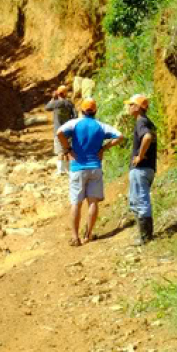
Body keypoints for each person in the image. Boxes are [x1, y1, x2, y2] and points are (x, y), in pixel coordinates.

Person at [57, 98, 123, 246]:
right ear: (95, 111)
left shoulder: (75, 123)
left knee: (76, 203)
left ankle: (75, 237)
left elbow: (59, 132)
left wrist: (68, 149)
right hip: (95, 167)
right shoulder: (100, 126)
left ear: (81, 110)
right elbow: (120, 136)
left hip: (77, 167)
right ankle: (88, 234)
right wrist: (103, 148)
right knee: (93, 202)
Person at [126, 94, 157, 244]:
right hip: (148, 168)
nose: (129, 107)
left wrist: (139, 156)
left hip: (141, 169)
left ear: (138, 107)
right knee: (135, 201)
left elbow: (147, 137)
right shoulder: (149, 122)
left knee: (141, 201)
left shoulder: (141, 122)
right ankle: (144, 235)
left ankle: (146, 238)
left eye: (131, 104)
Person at [44, 84, 77, 174]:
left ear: (58, 93)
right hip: (68, 130)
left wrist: (53, 98)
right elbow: (75, 116)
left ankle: (60, 170)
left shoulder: (56, 103)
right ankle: (68, 170)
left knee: (60, 151)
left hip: (58, 131)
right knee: (67, 150)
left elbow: (47, 107)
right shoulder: (69, 103)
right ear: (65, 94)